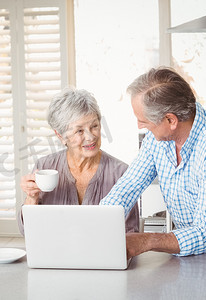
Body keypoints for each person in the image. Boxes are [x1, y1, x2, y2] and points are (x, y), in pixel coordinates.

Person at [101, 67, 206, 258]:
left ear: (170, 120)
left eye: (144, 121)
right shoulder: (157, 140)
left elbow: (205, 232)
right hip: (191, 245)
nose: (140, 126)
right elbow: (129, 185)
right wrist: (99, 223)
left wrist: (146, 240)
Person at [17, 87, 139, 235]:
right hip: (55, 255)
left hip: (103, 257)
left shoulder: (120, 173)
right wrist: (32, 197)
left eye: (94, 126)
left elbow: (131, 232)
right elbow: (28, 231)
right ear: (61, 136)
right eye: (79, 131)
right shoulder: (45, 167)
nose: (90, 137)